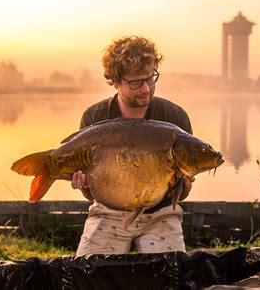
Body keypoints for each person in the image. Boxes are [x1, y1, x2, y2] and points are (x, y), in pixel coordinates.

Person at [72, 35, 194, 256]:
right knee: (89, 275)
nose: (146, 88)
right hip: (107, 213)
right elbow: (92, 196)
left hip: (162, 214)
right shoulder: (94, 118)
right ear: (115, 81)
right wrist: (84, 186)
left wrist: (184, 186)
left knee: (170, 277)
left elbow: (181, 194)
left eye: (151, 78)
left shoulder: (175, 119)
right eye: (136, 82)